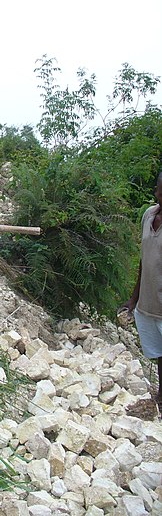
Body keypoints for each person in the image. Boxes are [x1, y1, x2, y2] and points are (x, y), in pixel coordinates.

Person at [121, 173, 162, 409]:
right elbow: (144, 259)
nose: (159, 195)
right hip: (148, 304)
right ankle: (160, 397)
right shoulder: (148, 216)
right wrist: (133, 298)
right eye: (159, 190)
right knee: (159, 355)